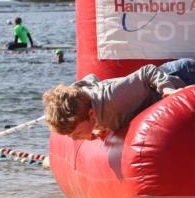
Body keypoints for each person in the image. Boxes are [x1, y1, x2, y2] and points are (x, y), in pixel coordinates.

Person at [42, 58, 195, 140]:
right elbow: (90, 79)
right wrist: (97, 129)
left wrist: (168, 90)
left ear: (90, 115)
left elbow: (147, 72)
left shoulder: (113, 97)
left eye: (76, 134)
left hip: (182, 74)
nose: (75, 140)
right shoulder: (85, 102)